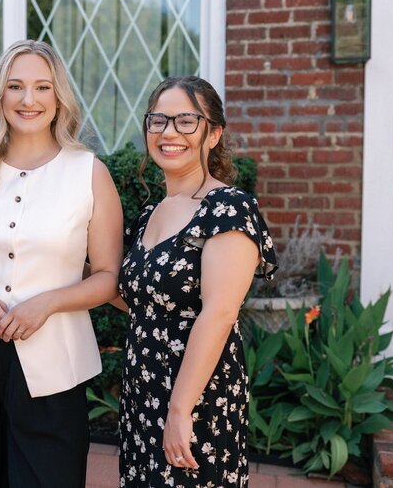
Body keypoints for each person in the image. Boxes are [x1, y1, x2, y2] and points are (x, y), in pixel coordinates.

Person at [0, 39, 123, 488]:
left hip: (55, 366)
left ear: (59, 98)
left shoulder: (90, 173)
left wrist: (48, 303)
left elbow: (109, 277)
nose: (28, 100)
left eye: (42, 87)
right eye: (15, 86)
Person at [115, 76, 278, 487]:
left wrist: (179, 410)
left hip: (196, 397)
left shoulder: (228, 208)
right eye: (158, 121)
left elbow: (220, 313)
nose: (169, 132)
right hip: (142, 389)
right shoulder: (151, 211)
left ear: (213, 134)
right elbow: (142, 300)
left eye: (186, 121)